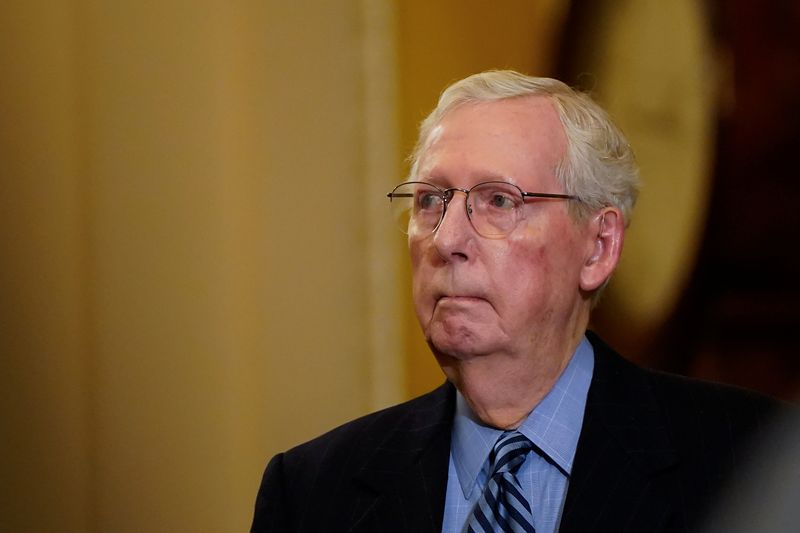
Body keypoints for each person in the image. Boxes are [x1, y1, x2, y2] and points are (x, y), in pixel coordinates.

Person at [250, 70, 782, 533]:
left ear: (598, 247)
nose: (445, 239)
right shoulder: (310, 492)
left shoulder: (757, 466)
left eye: (499, 201)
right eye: (431, 200)